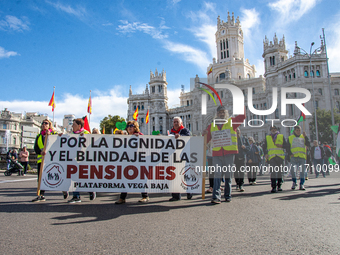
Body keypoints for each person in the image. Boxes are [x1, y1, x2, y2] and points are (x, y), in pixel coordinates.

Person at [203, 105, 245, 204]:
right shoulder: (212, 125)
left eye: (223, 112)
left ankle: (227, 195)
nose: (221, 114)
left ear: (226, 113)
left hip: (229, 153)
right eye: (220, 112)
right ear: (217, 114)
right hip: (217, 154)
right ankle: (216, 196)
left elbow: (242, 117)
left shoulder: (232, 122)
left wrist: (241, 104)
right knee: (217, 175)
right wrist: (204, 133)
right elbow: (206, 138)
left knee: (228, 175)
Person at [115, 120, 150, 204]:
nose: (129, 127)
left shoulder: (140, 135)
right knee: (125, 178)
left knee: (141, 178)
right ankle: (122, 198)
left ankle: (145, 196)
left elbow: (147, 144)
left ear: (135, 127)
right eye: (128, 126)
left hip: (138, 160)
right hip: (127, 160)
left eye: (131, 126)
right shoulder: (125, 137)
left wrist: (140, 138)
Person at [67, 118, 96, 203]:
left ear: (79, 126)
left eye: (74, 124)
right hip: (74, 159)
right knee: (74, 178)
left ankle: (91, 191)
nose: (72, 126)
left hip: (84, 159)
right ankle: (76, 196)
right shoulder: (71, 135)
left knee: (84, 177)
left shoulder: (87, 133)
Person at [32, 119, 58, 202]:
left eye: (46, 123)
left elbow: (59, 143)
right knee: (40, 178)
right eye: (42, 123)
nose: (44, 124)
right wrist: (40, 152)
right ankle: (41, 195)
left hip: (52, 159)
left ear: (49, 125)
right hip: (42, 160)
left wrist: (50, 135)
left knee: (56, 175)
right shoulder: (39, 136)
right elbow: (35, 147)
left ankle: (64, 191)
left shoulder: (54, 134)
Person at [169, 117, 192, 201]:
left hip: (184, 156)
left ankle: (189, 192)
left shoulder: (185, 130)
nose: (175, 123)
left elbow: (188, 137)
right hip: (175, 157)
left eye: (177, 122)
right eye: (174, 122)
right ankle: (176, 196)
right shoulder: (171, 132)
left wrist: (180, 136)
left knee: (186, 175)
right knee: (175, 176)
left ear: (181, 123)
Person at [263, 125, 288, 193]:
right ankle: (273, 187)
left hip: (280, 156)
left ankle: (279, 185)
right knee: (273, 172)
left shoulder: (281, 136)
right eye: (272, 129)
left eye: (274, 128)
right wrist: (265, 153)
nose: (273, 130)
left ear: (277, 129)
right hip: (272, 157)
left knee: (280, 172)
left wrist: (281, 146)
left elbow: (286, 145)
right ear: (270, 130)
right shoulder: (267, 137)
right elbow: (264, 146)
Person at [288, 125, 310, 191]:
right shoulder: (290, 137)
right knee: (293, 171)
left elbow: (308, 144)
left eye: (299, 130)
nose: (298, 131)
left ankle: (302, 184)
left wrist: (305, 137)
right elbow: (288, 147)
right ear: (294, 131)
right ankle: (294, 182)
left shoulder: (303, 137)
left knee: (302, 171)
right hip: (293, 156)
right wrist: (290, 154)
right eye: (297, 130)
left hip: (302, 156)